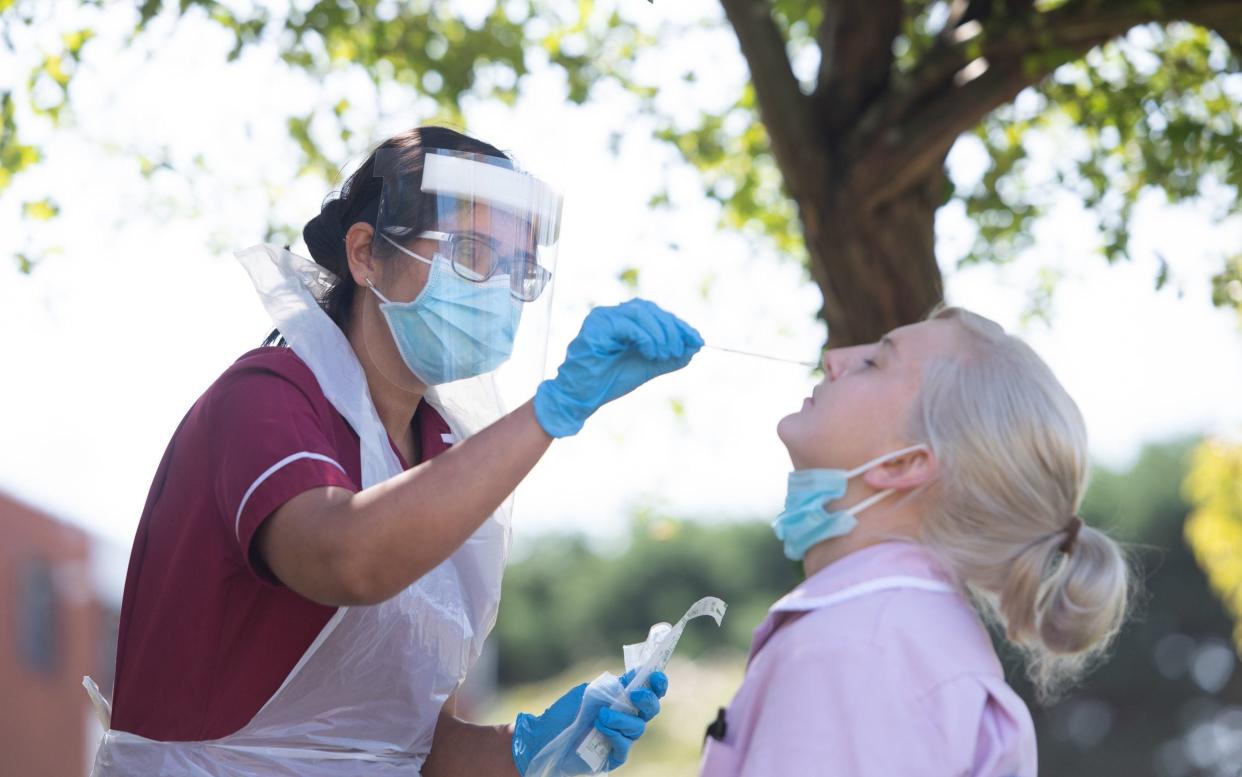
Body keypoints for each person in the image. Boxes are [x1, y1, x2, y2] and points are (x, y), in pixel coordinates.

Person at [85, 126, 702, 776]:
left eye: (518, 270)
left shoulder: (438, 449)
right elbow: (347, 557)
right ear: (365, 254)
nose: (496, 288)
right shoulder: (267, 399)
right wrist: (554, 408)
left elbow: (403, 750)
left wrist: (532, 747)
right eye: (470, 251)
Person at [698, 306, 1132, 777]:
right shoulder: (905, 635)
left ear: (904, 465)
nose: (835, 357)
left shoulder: (858, 649)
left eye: (875, 362)